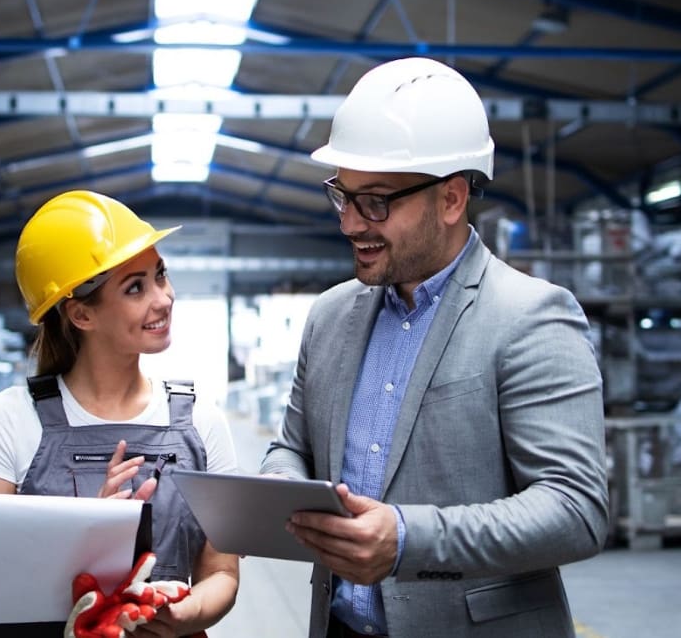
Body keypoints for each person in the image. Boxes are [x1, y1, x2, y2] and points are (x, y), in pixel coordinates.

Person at [260, 57, 608, 638]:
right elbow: (291, 447)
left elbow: (575, 510)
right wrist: (277, 489)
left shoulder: (530, 316)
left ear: (451, 199)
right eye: (341, 196)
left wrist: (406, 539)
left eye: (375, 202)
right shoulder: (329, 317)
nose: (350, 224)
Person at [0, 190, 240, 637]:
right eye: (136, 287)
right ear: (81, 315)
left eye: (160, 275)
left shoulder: (202, 421)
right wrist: (88, 538)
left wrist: (182, 615)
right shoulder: (9, 419)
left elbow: (221, 574)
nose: (164, 298)